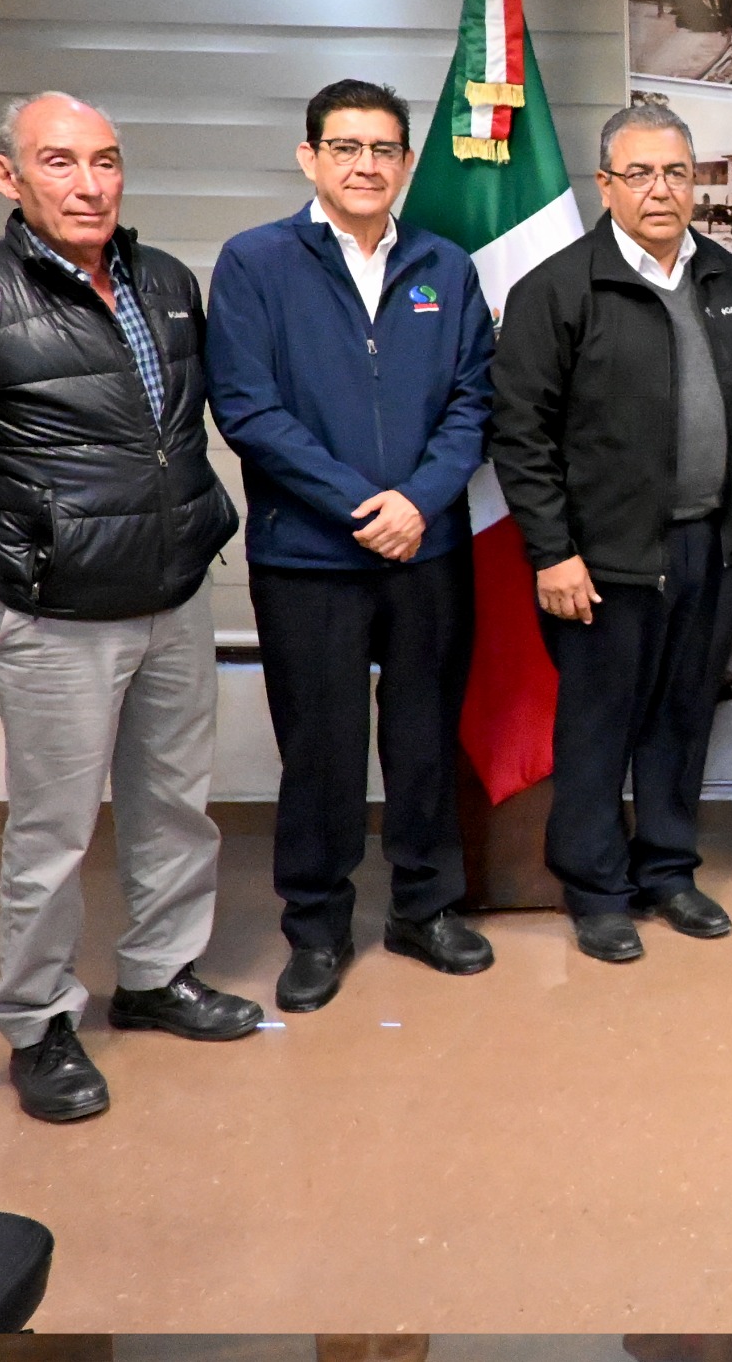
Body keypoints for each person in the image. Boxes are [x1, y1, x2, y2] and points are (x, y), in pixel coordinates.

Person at [0, 92, 257, 1123]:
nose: (89, 184)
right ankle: (39, 1021)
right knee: (54, 831)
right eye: (60, 161)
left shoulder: (164, 281)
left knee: (174, 804)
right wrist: (10, 557)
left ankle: (157, 974)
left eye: (106, 161)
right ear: (9, 176)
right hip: (53, 621)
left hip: (170, 596)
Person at [206, 79, 497, 1013]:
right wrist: (362, 503)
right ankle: (317, 929)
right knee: (322, 751)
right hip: (308, 559)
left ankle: (426, 910)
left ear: (407, 163)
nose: (366, 165)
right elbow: (247, 407)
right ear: (311, 158)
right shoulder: (255, 263)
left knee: (422, 741)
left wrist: (415, 502)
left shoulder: (446, 267)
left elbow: (472, 402)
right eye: (346, 147)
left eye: (383, 149)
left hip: (428, 551)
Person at [491, 102, 732, 963]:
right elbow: (521, 434)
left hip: (710, 546)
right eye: (640, 174)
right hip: (604, 559)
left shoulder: (728, 280)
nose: (660, 191)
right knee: (600, 724)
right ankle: (595, 889)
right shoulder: (558, 289)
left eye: (675, 173)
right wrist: (552, 550)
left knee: (682, 717)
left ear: (694, 182)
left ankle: (667, 871)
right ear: (606, 184)